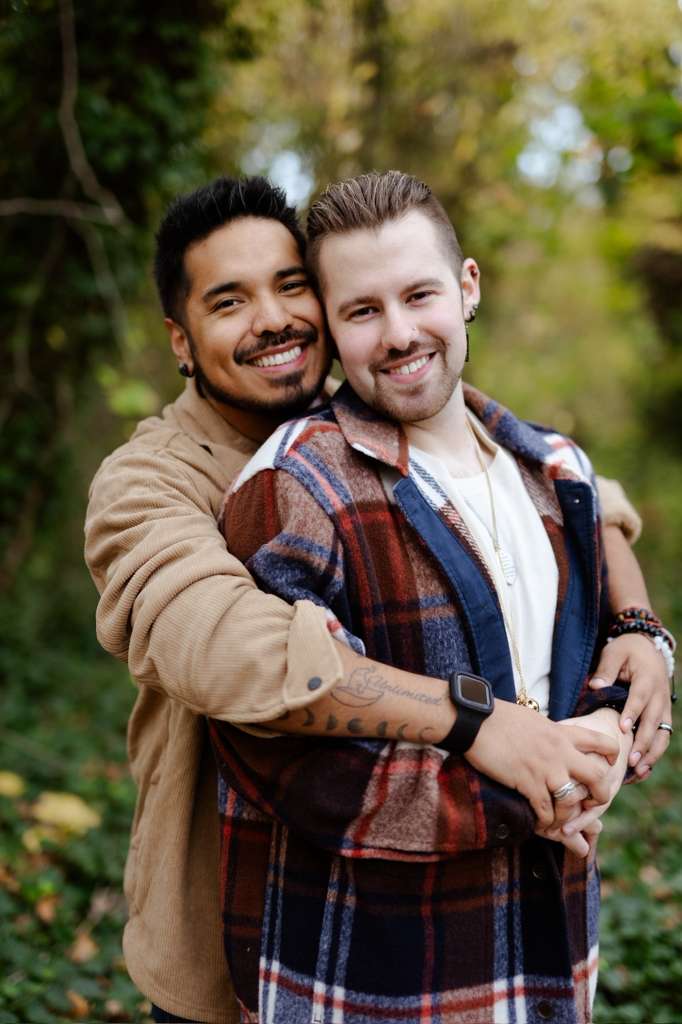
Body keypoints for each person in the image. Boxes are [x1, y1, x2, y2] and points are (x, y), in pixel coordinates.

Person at [84, 175, 672, 1024]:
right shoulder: (151, 481)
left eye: (291, 288)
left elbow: (568, 478)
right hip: (232, 940)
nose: (274, 319)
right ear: (180, 339)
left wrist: (637, 621)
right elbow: (234, 651)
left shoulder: (374, 411)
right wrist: (483, 723)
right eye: (229, 301)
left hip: (445, 932)